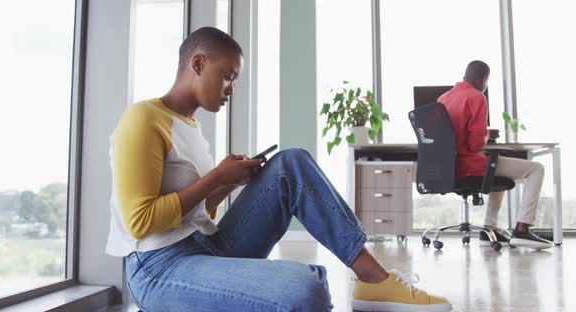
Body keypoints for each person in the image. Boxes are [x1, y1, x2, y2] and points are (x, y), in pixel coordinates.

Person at [105, 26, 452, 311]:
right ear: (197, 63)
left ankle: (374, 280)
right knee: (304, 291)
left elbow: (195, 213)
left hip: (206, 246)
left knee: (290, 162)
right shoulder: (143, 119)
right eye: (227, 77)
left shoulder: (192, 128)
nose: (231, 90)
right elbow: (140, 221)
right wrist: (216, 178)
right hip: (159, 268)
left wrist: (229, 184)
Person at [437, 60, 552, 250]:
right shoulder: (476, 97)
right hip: (470, 165)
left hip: (450, 167)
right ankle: (522, 228)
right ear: (482, 79)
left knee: (495, 164)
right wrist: (485, 134)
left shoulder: (443, 98)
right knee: (536, 168)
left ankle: (488, 229)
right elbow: (474, 145)